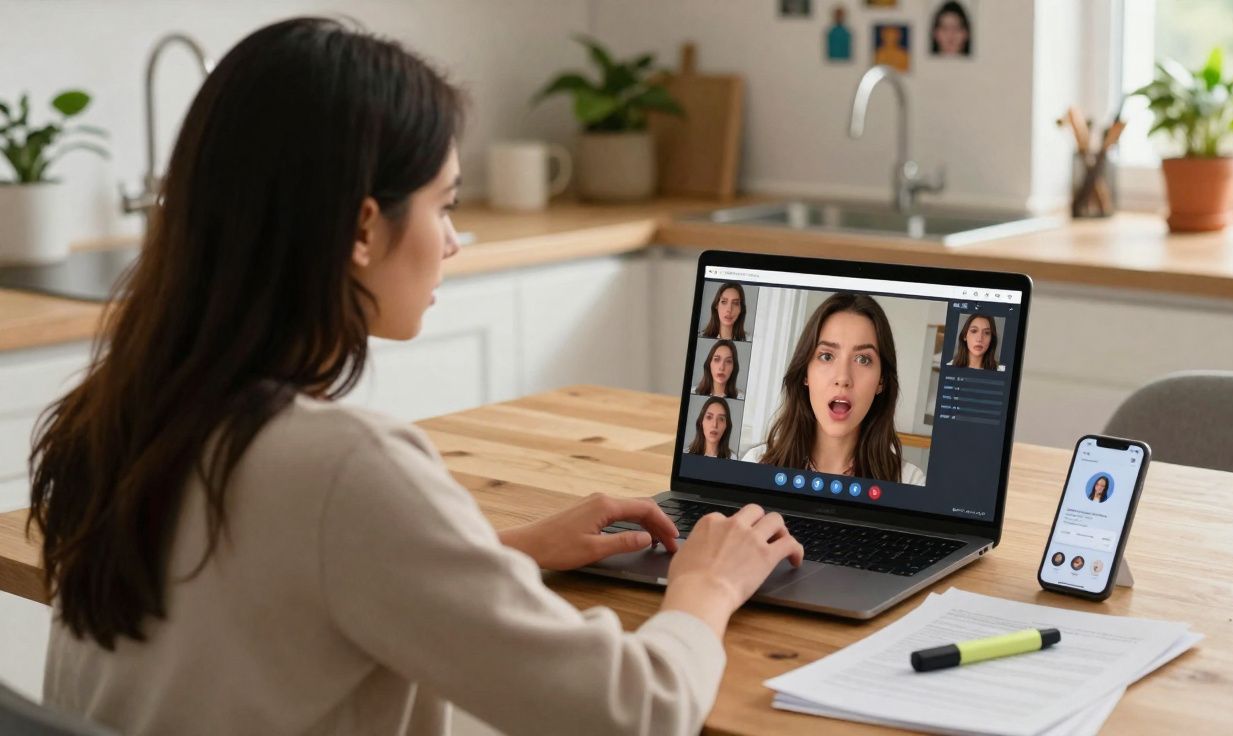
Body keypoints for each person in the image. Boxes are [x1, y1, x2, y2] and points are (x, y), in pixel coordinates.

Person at [28, 18, 803, 736]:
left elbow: (279, 582)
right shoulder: (341, 467)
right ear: (365, 228)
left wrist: (496, 553)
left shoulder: (122, 417)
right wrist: (706, 584)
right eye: (445, 204)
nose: (455, 241)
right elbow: (634, 709)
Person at [741, 293, 926, 485]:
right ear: (805, 373)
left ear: (881, 381)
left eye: (863, 359)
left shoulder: (911, 481)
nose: (843, 378)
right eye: (827, 356)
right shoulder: (755, 465)